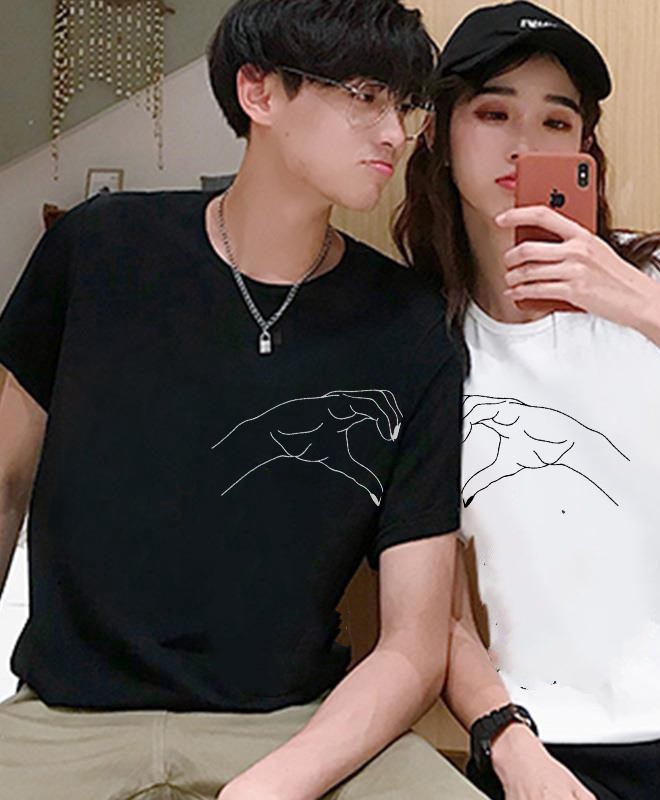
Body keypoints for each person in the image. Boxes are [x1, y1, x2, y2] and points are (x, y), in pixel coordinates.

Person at [0, 1, 486, 798]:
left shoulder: (409, 327)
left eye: (404, 105)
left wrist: (277, 784)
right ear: (259, 92)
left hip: (292, 725)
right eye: (366, 96)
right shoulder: (97, 251)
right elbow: (4, 484)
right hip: (62, 719)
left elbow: (412, 644)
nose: (395, 133)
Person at [395, 2, 660, 798]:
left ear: (585, 150)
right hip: (558, 742)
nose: (525, 144)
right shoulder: (420, 346)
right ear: (438, 134)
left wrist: (644, 306)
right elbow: (440, 613)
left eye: (556, 121)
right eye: (493, 113)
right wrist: (511, 749)